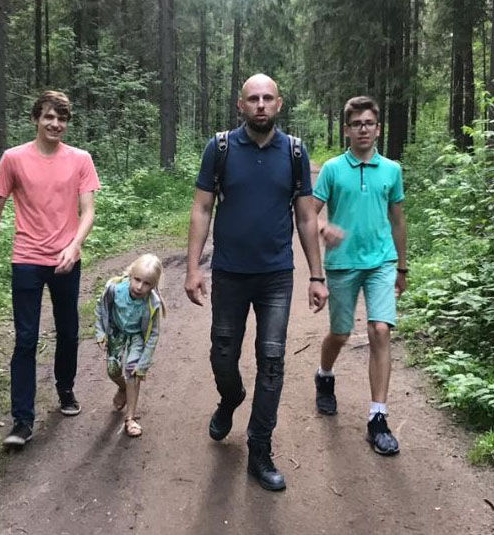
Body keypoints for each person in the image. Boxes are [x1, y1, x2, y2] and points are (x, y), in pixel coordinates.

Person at [185, 73, 328, 491]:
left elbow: (305, 216)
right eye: (253, 98)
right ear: (240, 105)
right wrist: (194, 268)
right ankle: (230, 399)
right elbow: (201, 208)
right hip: (229, 273)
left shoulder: (295, 151)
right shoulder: (221, 148)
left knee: (272, 360)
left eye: (268, 98)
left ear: (279, 104)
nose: (261, 104)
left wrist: (316, 276)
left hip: (276, 278)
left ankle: (260, 450)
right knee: (222, 356)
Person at [0, 90, 100, 448]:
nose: (55, 124)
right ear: (36, 119)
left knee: (68, 330)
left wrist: (74, 245)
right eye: (49, 117)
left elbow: (88, 209)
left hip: (66, 259)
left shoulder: (80, 159)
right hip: (27, 258)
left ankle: (65, 389)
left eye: (61, 119)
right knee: (26, 339)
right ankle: (22, 421)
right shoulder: (13, 159)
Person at [312, 95, 407, 456]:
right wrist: (323, 229)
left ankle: (377, 418)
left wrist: (401, 266)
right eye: (356, 124)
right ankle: (324, 375)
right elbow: (310, 212)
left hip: (381, 261)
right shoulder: (334, 169)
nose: (363, 129)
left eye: (369, 123)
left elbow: (398, 220)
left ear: (378, 128)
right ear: (347, 129)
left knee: (380, 330)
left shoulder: (391, 170)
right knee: (339, 333)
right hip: (342, 263)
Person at [94, 254, 166, 438]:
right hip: (117, 332)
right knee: (112, 369)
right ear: (130, 274)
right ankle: (123, 388)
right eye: (137, 280)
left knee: (133, 373)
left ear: (154, 285)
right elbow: (101, 308)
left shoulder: (152, 303)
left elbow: (153, 335)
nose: (140, 287)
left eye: (147, 283)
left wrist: (144, 363)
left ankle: (130, 418)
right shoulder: (114, 288)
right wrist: (101, 332)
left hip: (137, 337)